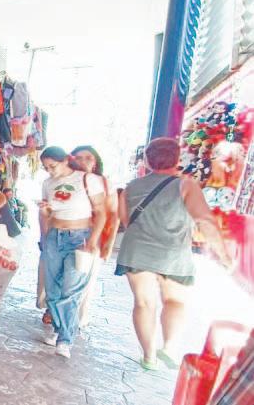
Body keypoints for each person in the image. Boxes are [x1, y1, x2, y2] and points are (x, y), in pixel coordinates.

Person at [117, 137, 233, 371]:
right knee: (175, 301)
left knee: (144, 303)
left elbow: (126, 221)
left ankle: (149, 356)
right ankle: (169, 347)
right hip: (173, 253)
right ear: (178, 158)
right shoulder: (186, 186)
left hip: (137, 251)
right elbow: (205, 221)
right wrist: (223, 255)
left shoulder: (130, 188)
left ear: (147, 160)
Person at [39, 146, 107, 358]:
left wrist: (93, 240)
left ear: (65, 161)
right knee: (52, 289)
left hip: (79, 238)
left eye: (52, 166)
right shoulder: (47, 183)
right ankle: (60, 328)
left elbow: (101, 212)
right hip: (54, 236)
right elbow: (48, 213)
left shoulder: (87, 179)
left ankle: (65, 339)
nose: (50, 171)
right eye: (46, 168)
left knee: (71, 289)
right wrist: (45, 213)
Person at [71, 145, 120, 328]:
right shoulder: (64, 180)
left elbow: (113, 215)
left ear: (96, 162)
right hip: (66, 233)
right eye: (78, 157)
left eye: (88, 158)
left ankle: (78, 317)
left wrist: (109, 244)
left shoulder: (105, 184)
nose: (82, 161)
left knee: (86, 278)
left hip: (94, 236)